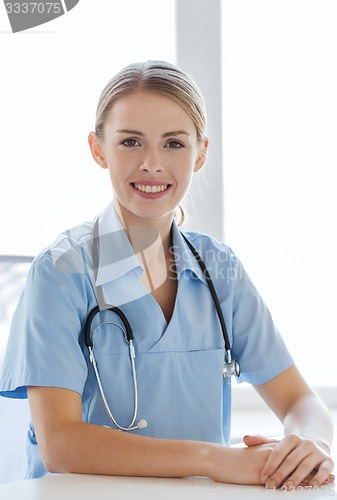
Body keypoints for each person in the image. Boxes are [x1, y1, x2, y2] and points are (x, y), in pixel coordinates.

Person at [0, 60, 334, 489]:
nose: (152, 164)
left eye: (174, 143)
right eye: (131, 142)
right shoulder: (62, 270)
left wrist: (308, 444)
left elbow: (300, 400)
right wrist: (214, 459)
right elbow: (61, 444)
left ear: (201, 153)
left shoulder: (219, 269)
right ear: (98, 149)